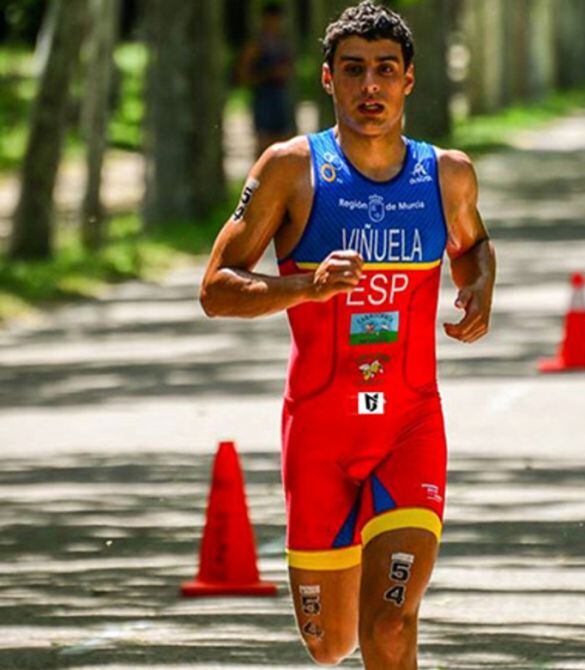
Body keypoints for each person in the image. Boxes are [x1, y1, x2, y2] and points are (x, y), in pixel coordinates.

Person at [200, 2, 496, 667]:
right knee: (331, 644)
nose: (371, 87)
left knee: (391, 624)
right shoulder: (290, 169)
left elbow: (473, 246)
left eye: (385, 70)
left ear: (409, 80)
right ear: (328, 78)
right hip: (320, 438)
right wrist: (303, 287)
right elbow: (216, 288)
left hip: (410, 430)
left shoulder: (445, 174)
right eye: (354, 70)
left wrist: (480, 285)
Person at [237, 2, 297, 157]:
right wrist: (269, 74)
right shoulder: (255, 46)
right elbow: (243, 76)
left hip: (281, 96)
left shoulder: (283, 44)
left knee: (285, 143)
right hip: (263, 97)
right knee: (263, 144)